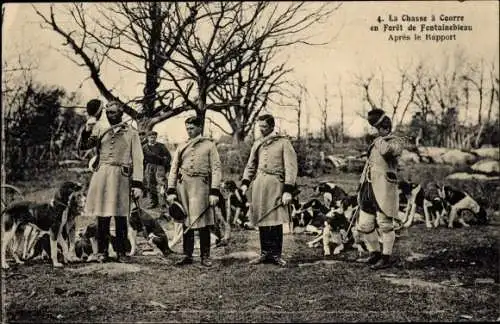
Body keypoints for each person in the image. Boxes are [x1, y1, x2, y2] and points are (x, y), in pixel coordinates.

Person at [80, 101, 144, 263]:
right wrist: (87, 130)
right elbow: (83, 146)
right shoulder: (100, 129)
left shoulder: (131, 132)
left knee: (121, 215)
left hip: (121, 176)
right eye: (108, 113)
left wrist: (137, 183)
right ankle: (102, 252)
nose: (110, 116)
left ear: (121, 113)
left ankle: (121, 252)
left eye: (114, 113)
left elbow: (137, 159)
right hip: (102, 175)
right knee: (102, 215)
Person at [240, 114, 298, 267]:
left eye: (264, 127)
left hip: (276, 185)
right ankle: (265, 253)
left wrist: (288, 189)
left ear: (272, 126)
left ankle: (276, 254)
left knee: (275, 219)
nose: (261, 130)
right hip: (259, 184)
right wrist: (246, 181)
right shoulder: (257, 143)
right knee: (262, 218)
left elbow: (291, 168)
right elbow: (250, 165)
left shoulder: (284, 142)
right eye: (260, 127)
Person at [166, 116, 222, 267]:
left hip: (201, 186)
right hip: (183, 186)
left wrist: (214, 191)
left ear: (199, 128)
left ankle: (205, 256)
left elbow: (216, 169)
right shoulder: (182, 145)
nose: (188, 131)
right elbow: (173, 169)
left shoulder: (209, 145)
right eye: (187, 128)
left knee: (202, 221)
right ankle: (187, 255)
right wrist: (171, 190)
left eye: (191, 128)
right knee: (186, 220)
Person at [356, 108, 404, 270]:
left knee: (385, 224)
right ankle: (374, 253)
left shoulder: (396, 141)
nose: (374, 132)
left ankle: (386, 257)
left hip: (384, 188)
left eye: (377, 128)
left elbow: (387, 151)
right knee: (365, 224)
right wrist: (361, 182)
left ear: (385, 128)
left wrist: (378, 138)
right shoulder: (376, 142)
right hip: (368, 187)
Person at [142, 131, 171, 209]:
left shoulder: (161, 146)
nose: (152, 139)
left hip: (159, 167)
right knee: (150, 185)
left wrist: (165, 165)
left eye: (154, 137)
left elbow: (168, 157)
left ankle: (163, 203)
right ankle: (153, 202)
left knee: (161, 184)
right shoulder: (144, 147)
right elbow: (142, 158)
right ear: (147, 138)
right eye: (151, 137)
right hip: (149, 167)